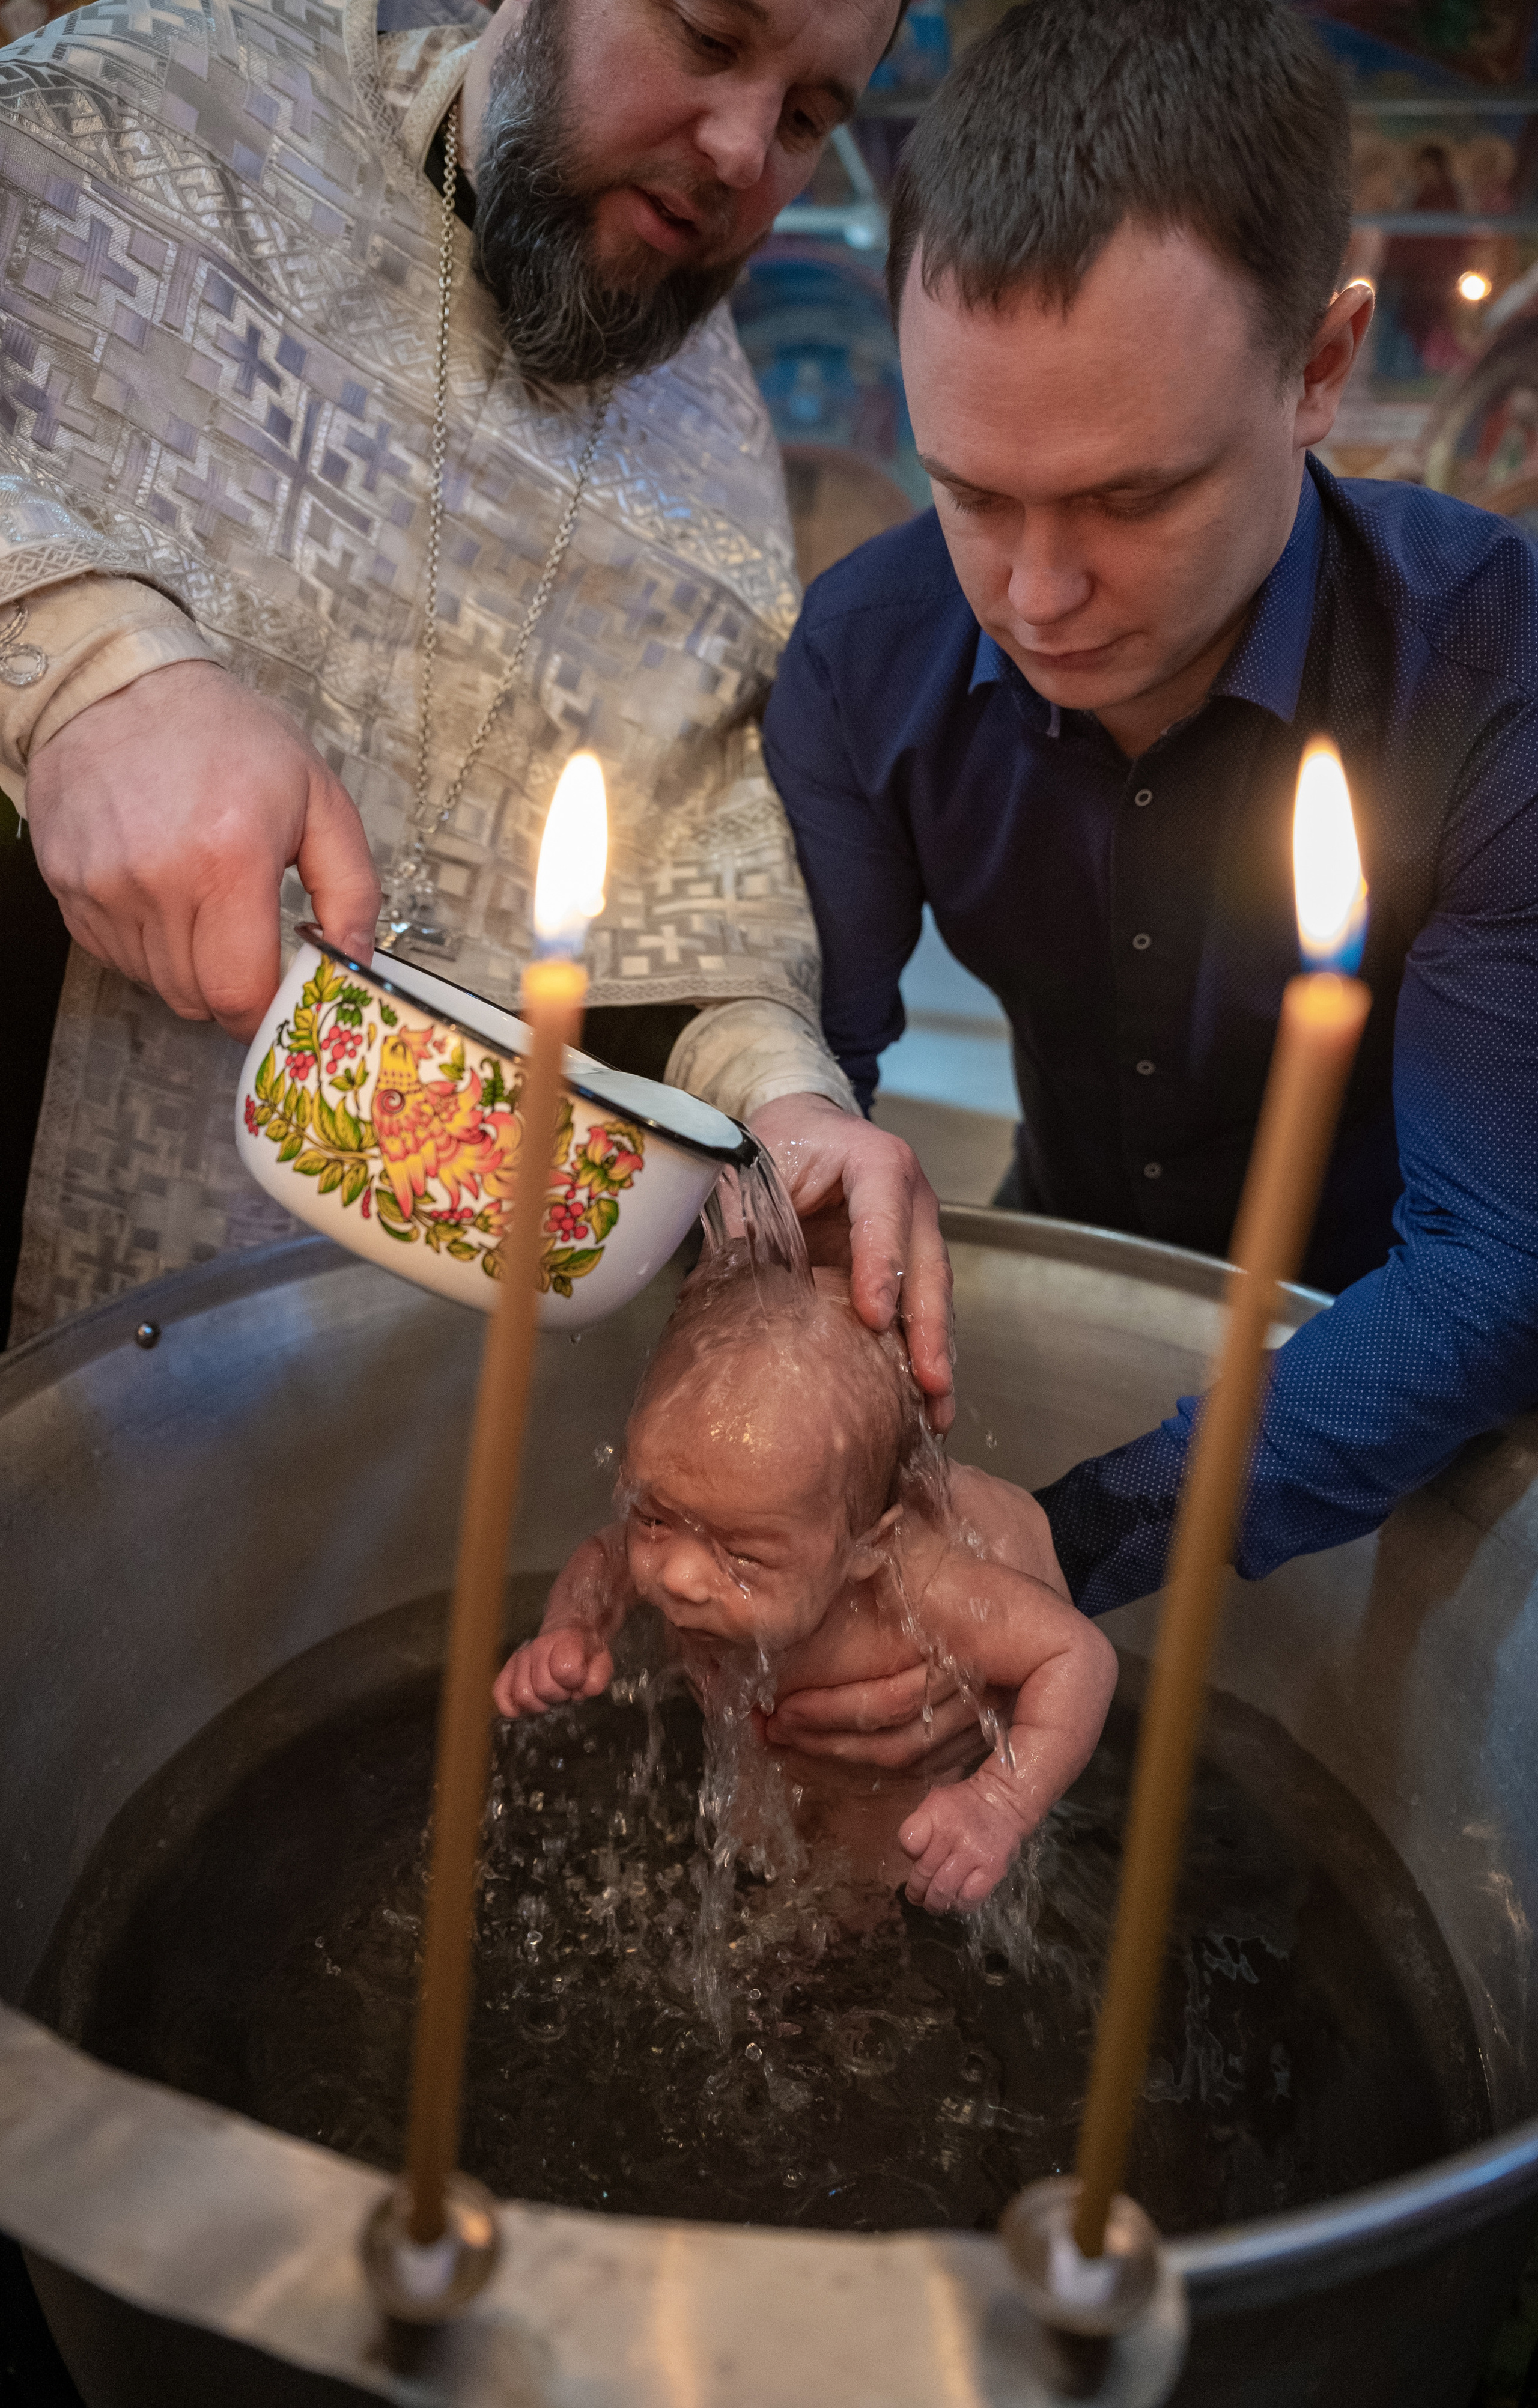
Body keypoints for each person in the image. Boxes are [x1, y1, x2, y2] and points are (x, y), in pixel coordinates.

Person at [0, 0, 952, 1423]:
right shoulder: (136, 116)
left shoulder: (716, 457)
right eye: (704, 34)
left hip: (360, 1405)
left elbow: (700, 911)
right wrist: (77, 664)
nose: (743, 147)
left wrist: (782, 1105)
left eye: (810, 114)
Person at [761, 0, 1538, 1619]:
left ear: (1320, 365)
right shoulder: (867, 659)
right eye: (971, 492)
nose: (1037, 599)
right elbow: (805, 1089)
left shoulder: (1487, 663)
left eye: (1134, 497)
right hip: (1076, 1234)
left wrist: (1081, 1527)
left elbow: (1495, 1260)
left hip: (1392, 1337)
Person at [494, 1248, 1116, 1911]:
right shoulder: (714, 1512)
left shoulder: (923, 1591)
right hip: (770, 1765)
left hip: (888, 1798)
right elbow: (604, 1556)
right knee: (747, 1858)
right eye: (651, 1519)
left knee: (863, 1898)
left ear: (865, 1548)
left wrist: (999, 1802)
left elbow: (1077, 1655)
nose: (676, 1575)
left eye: (744, 1557)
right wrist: (572, 1627)